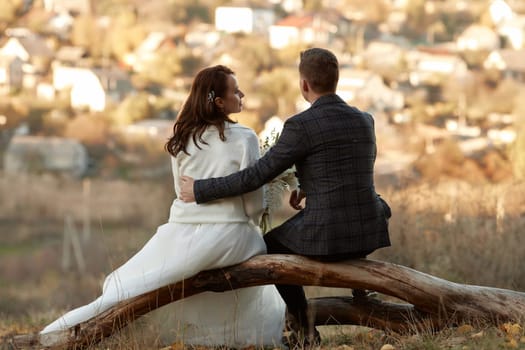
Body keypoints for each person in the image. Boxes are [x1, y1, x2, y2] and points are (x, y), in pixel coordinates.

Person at [39, 65, 286, 348]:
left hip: (180, 231)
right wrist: (259, 211)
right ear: (219, 102)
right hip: (231, 234)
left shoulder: (183, 138)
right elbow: (253, 204)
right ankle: (228, 333)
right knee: (255, 249)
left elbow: (181, 193)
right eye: (236, 90)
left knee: (133, 281)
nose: (242, 95)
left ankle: (57, 335)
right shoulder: (245, 138)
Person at [179, 48, 392, 345]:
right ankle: (360, 290)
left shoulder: (301, 125)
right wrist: (308, 186)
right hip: (369, 229)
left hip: (329, 236)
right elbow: (352, 169)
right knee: (357, 206)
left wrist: (200, 189)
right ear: (336, 80)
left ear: (304, 84)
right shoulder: (364, 119)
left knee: (270, 245)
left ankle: (304, 325)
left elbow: (256, 176)